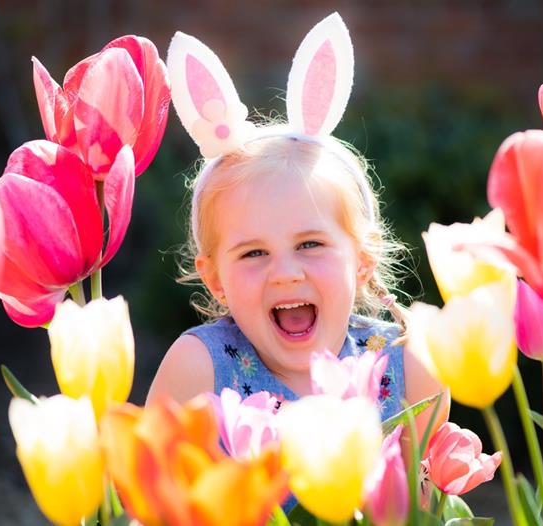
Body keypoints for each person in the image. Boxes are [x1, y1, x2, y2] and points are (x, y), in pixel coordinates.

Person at [147, 13, 445, 433]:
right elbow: (151, 492)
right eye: (253, 252)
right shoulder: (201, 372)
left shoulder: (408, 367)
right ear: (214, 278)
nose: (285, 273)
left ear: (361, 258)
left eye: (310, 245)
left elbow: (424, 496)